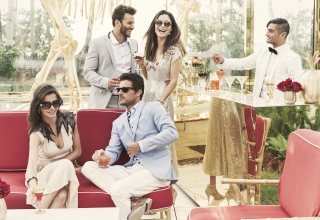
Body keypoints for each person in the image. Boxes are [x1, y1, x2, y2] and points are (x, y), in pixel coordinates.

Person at [81, 73, 179, 220]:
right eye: (119, 90)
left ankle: (126, 197)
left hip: (155, 170)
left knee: (117, 190)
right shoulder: (118, 122)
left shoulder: (153, 108)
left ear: (138, 92)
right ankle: (135, 202)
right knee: (88, 167)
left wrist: (141, 145)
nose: (120, 92)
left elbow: (172, 133)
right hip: (131, 170)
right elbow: (113, 151)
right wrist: (104, 157)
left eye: (125, 89)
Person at [137, 10, 186, 177]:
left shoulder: (174, 52)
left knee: (162, 139)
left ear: (171, 29)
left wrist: (161, 100)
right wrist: (142, 65)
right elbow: (150, 78)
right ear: (154, 25)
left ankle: (167, 178)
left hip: (162, 101)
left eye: (167, 23)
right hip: (147, 99)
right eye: (159, 22)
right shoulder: (149, 49)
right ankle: (150, 175)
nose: (162, 26)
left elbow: (173, 80)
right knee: (148, 136)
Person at [212, 18, 304, 102]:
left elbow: (297, 87)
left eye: (271, 31)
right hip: (257, 105)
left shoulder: (293, 57)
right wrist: (222, 61)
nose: (266, 34)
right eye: (267, 30)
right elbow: (242, 63)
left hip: (278, 109)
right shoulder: (263, 51)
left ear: (282, 35)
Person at [25, 84, 81, 208]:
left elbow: (78, 151)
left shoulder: (70, 121)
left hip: (64, 171)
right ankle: (39, 212)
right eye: (46, 105)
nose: (52, 108)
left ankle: (39, 214)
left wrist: (54, 162)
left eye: (56, 103)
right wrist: (34, 186)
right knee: (66, 165)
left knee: (62, 195)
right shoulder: (36, 133)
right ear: (38, 106)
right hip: (44, 173)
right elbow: (32, 166)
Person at [83, 4, 138, 108]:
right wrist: (106, 81)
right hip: (103, 102)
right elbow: (87, 72)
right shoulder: (97, 43)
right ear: (117, 23)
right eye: (129, 23)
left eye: (133, 23)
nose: (132, 27)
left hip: (127, 102)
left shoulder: (134, 43)